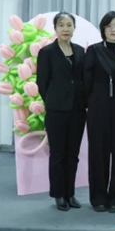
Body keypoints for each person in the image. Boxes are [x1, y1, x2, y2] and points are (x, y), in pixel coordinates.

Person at [36, 11, 86, 211]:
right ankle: (59, 194)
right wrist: (53, 100)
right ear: (55, 28)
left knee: (73, 154)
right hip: (56, 110)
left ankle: (70, 193)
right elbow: (42, 83)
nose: (66, 29)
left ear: (74, 28)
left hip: (78, 110)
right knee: (58, 153)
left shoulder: (80, 51)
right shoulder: (47, 52)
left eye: (69, 25)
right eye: (61, 25)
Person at [84, 11, 115, 212]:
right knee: (98, 154)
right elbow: (86, 82)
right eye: (109, 26)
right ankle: (98, 198)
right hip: (98, 109)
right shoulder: (94, 51)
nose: (113, 29)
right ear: (103, 29)